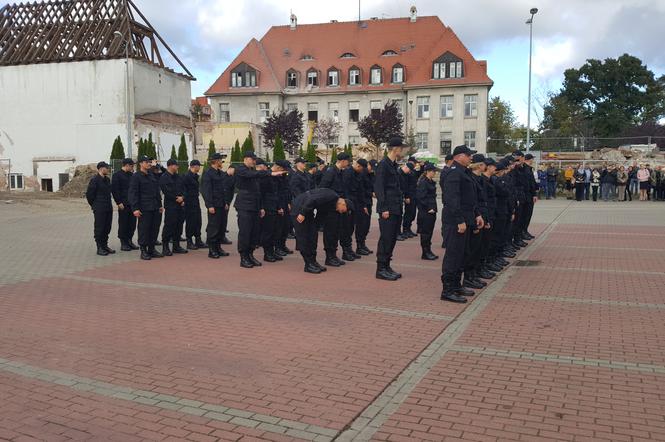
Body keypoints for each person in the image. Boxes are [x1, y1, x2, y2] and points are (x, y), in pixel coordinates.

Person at [440, 145, 480, 303]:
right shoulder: (454, 173)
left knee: (463, 255)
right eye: (468, 155)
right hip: (456, 221)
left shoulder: (465, 173)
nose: (471, 158)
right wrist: (460, 221)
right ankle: (447, 290)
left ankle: (457, 285)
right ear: (458, 156)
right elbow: (452, 200)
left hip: (467, 219)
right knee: (453, 255)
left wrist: (477, 215)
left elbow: (470, 198)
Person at [235, 152, 285, 268]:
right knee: (245, 232)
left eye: (254, 159)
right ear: (246, 159)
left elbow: (258, 192)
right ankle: (244, 257)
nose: (254, 161)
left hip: (255, 205)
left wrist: (261, 207)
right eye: (252, 159)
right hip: (245, 205)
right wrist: (270, 173)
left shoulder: (252, 171)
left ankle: (250, 255)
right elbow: (253, 175)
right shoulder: (241, 169)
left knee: (254, 232)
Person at [292, 188, 349, 274]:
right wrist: (302, 213)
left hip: (308, 209)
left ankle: (313, 261)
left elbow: (321, 213)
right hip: (300, 207)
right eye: (342, 210)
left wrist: (316, 226)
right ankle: (308, 264)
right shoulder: (332, 196)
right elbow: (312, 199)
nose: (339, 211)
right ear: (343, 204)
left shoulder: (332, 202)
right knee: (304, 236)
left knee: (313, 236)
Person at [374, 137, 405, 281]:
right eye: (401, 148)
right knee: (386, 238)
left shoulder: (393, 165)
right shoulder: (383, 165)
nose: (402, 150)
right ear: (395, 149)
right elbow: (379, 188)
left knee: (392, 238)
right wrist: (384, 208)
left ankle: (386, 266)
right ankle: (380, 269)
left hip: (396, 208)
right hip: (388, 209)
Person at [320, 152, 354, 264]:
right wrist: (334, 201)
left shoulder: (339, 172)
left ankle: (333, 255)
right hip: (330, 208)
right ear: (343, 161)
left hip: (338, 208)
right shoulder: (330, 172)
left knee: (337, 232)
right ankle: (329, 257)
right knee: (330, 233)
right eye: (348, 161)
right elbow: (323, 189)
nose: (348, 163)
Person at [128, 156, 163, 260]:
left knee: (154, 228)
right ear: (140, 164)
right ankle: (143, 250)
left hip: (155, 206)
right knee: (144, 229)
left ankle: (151, 249)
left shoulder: (152, 175)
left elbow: (157, 191)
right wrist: (135, 208)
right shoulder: (136, 176)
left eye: (149, 162)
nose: (149, 164)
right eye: (146, 162)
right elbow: (133, 193)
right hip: (144, 207)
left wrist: (160, 205)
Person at [200, 153, 230, 259]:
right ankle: (212, 250)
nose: (222, 162)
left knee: (221, 227)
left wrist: (226, 202)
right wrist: (209, 205)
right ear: (216, 161)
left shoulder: (220, 173)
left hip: (221, 204)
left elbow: (224, 190)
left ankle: (218, 248)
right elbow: (206, 190)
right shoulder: (208, 173)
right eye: (221, 160)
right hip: (214, 205)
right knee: (214, 227)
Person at [159, 158, 188, 256]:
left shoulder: (178, 177)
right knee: (169, 225)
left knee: (179, 226)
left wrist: (183, 197)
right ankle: (165, 246)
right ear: (171, 166)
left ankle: (176, 246)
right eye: (176, 165)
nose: (177, 167)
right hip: (171, 205)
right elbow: (167, 191)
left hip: (181, 205)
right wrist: (177, 198)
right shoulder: (164, 177)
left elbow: (184, 188)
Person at [86, 161, 115, 256]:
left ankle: (105, 245)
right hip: (99, 208)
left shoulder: (107, 179)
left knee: (107, 227)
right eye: (107, 168)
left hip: (108, 207)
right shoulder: (94, 180)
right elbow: (90, 195)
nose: (108, 169)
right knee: (100, 228)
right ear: (101, 168)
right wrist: (95, 205)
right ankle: (99, 247)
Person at [111, 158, 138, 251]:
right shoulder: (117, 175)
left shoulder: (132, 175)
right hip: (123, 204)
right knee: (123, 223)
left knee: (132, 223)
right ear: (126, 165)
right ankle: (123, 242)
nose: (132, 167)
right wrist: (118, 202)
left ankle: (130, 241)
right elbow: (115, 190)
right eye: (131, 166)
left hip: (132, 204)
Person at [181, 160, 206, 250]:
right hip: (189, 202)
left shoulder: (195, 176)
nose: (200, 168)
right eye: (199, 166)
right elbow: (184, 190)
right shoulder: (186, 177)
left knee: (198, 221)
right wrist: (184, 199)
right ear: (194, 166)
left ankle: (198, 239)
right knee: (190, 222)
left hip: (195, 201)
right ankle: (189, 241)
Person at [416, 163, 439, 260]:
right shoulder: (423, 182)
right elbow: (421, 197)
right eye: (434, 171)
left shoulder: (430, 182)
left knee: (429, 232)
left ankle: (428, 250)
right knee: (425, 233)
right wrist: (428, 208)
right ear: (428, 172)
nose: (435, 173)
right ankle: (425, 252)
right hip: (426, 212)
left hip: (432, 210)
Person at [354, 159, 373, 256]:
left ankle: (363, 244)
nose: (372, 170)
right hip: (362, 203)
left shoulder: (369, 175)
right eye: (371, 168)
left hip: (368, 202)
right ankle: (359, 246)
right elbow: (361, 191)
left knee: (366, 225)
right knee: (361, 225)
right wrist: (364, 205)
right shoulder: (362, 175)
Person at [400, 161, 418, 239]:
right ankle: (405, 229)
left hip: (413, 195)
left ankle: (408, 229)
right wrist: (406, 197)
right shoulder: (401, 174)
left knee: (412, 213)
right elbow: (405, 186)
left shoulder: (409, 173)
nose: (410, 172)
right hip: (408, 196)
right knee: (408, 213)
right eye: (409, 170)